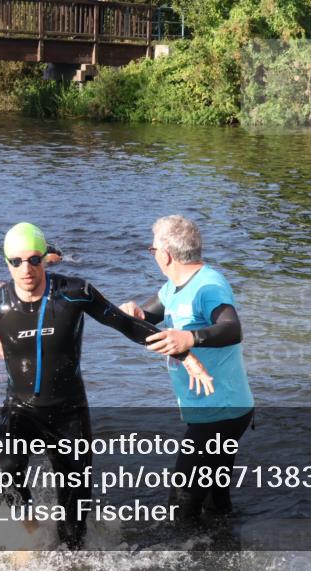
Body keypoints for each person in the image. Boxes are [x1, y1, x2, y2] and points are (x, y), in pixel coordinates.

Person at [0, 222, 215, 549]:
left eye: (33, 260)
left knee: (74, 523)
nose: (26, 269)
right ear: (7, 264)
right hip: (21, 410)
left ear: (45, 258)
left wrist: (185, 355)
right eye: (16, 262)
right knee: (5, 468)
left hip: (69, 412)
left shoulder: (74, 293)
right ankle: (29, 535)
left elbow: (125, 323)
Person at [120, 215, 254, 523]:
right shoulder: (174, 287)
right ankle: (226, 551)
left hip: (220, 412)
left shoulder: (208, 286)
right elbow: (147, 317)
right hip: (222, 409)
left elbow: (232, 329)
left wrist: (189, 337)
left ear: (165, 255)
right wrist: (133, 312)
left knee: (180, 505)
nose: (153, 255)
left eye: (152, 250)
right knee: (215, 501)